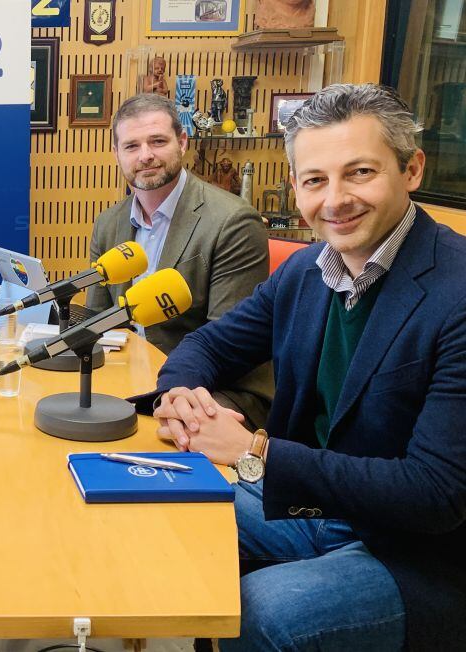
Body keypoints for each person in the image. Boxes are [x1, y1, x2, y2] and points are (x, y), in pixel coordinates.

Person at [153, 83, 466, 651]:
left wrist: (256, 452)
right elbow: (208, 347)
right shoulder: (303, 273)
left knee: (261, 610)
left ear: (412, 169)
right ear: (295, 185)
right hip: (313, 505)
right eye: (315, 180)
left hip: (417, 551)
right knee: (158, 512)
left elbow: (436, 493)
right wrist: (178, 395)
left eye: (360, 172)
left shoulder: (459, 292)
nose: (336, 199)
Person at [85, 93, 272, 427]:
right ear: (116, 154)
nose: (146, 156)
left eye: (157, 141)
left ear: (182, 142)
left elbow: (227, 344)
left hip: (214, 387)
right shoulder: (108, 223)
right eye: (131, 146)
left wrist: (163, 390)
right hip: (129, 378)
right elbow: (98, 319)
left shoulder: (233, 221)